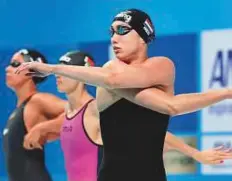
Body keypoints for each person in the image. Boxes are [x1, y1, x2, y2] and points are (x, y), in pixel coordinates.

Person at [15, 9, 232, 181]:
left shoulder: (161, 66)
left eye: (122, 30)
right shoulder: (109, 73)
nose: (113, 38)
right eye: (111, 32)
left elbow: (168, 111)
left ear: (143, 37)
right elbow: (168, 105)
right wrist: (52, 69)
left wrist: (196, 154)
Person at [3, 49, 65, 181]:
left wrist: (43, 128)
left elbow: (80, 111)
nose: (7, 68)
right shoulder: (19, 109)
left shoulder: (37, 101)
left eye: (15, 64)